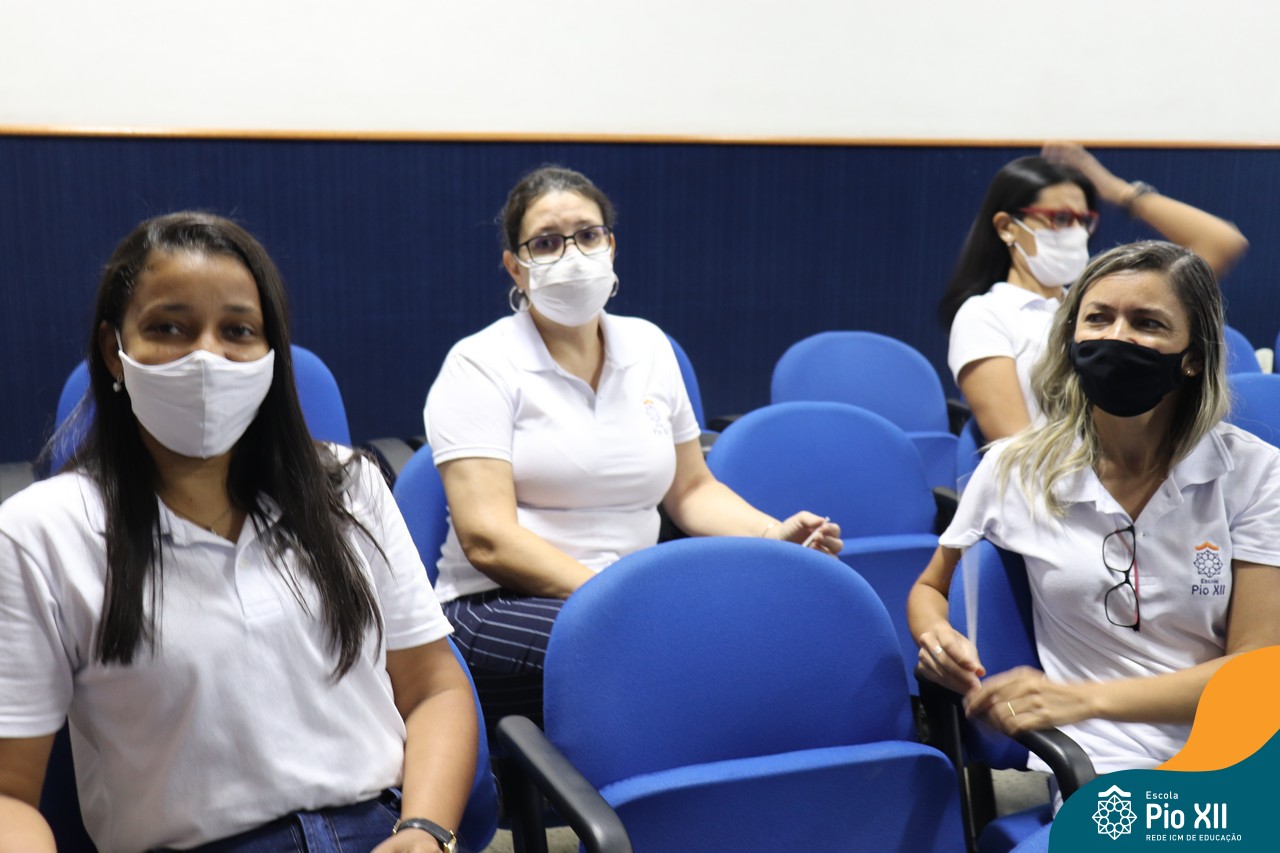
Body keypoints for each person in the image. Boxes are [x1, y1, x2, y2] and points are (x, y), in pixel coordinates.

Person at [0, 213, 476, 853]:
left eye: (238, 331)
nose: (206, 356)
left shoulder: (348, 487)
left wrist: (426, 830)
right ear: (115, 351)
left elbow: (434, 687)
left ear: (270, 354)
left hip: (383, 830)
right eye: (168, 328)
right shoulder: (41, 534)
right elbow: (9, 794)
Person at [424, 166, 842, 726]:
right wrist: (620, 598)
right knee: (669, 653)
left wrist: (773, 537)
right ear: (516, 268)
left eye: (588, 235)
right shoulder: (479, 364)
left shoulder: (648, 346)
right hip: (497, 602)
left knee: (777, 624)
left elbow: (691, 489)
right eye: (546, 242)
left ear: (611, 246)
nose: (572, 254)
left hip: (634, 593)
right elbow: (488, 539)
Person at [910, 241, 1280, 782]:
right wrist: (937, 638)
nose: (1116, 337)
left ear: (1194, 357)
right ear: (1072, 338)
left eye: (1147, 323)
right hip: (1100, 765)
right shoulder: (1017, 468)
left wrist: (1085, 698)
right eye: (1098, 318)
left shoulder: (1256, 473)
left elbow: (1256, 671)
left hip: (1238, 751)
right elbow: (930, 588)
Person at [939, 143, 1248, 443]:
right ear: (1007, 226)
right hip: (1053, 471)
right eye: (1060, 218)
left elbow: (1221, 242)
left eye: (1083, 220)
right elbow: (1013, 445)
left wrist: (1117, 190)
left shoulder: (1102, 305)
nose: (1075, 232)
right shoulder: (984, 314)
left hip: (1132, 463)